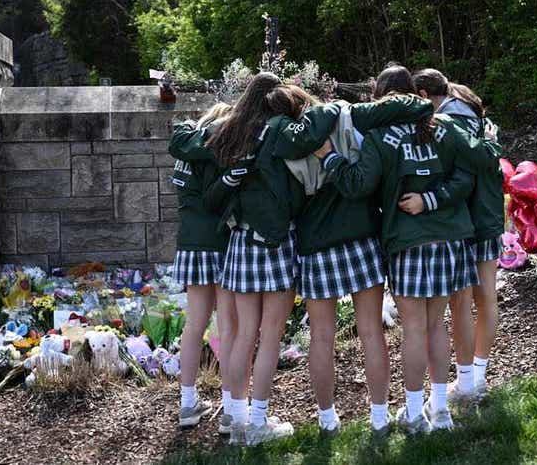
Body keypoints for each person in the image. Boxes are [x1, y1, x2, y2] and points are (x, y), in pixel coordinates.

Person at [313, 65, 487, 434]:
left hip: (409, 243)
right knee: (436, 326)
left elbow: (359, 185)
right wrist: (432, 197)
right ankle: (440, 411)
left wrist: (329, 157)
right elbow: (468, 175)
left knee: (413, 330)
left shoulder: (378, 135)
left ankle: (412, 414)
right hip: (451, 238)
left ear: (381, 98)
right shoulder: (445, 127)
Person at [271, 83, 433, 436]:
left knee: (321, 338)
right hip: (361, 236)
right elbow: (405, 106)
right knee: (372, 332)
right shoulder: (346, 115)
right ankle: (378, 417)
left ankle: (327, 420)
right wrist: (422, 107)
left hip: (315, 244)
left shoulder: (278, 141)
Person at [204, 72, 307, 446]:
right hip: (276, 241)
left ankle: (234, 418)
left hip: (240, 240)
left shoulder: (232, 132)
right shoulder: (279, 132)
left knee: (244, 335)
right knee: (270, 338)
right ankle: (258, 424)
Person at [407, 69, 504, 401]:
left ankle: (472, 380)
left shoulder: (449, 121)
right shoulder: (465, 106)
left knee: (467, 300)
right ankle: (474, 377)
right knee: (482, 298)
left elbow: (471, 166)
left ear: (422, 94)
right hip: (486, 213)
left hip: (471, 217)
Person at [168, 102, 237, 430]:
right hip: (219, 242)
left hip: (190, 242)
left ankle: (187, 402)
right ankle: (229, 406)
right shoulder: (213, 152)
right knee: (227, 327)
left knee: (193, 326)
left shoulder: (185, 148)